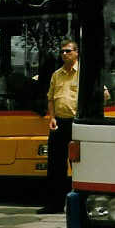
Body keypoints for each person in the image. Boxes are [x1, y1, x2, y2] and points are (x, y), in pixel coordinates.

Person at [38, 39, 79, 214]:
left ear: (76, 53)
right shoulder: (57, 74)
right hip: (59, 123)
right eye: (62, 51)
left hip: (77, 124)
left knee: (78, 165)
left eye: (68, 51)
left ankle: (80, 206)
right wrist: (52, 117)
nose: (64, 54)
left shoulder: (84, 74)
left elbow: (103, 95)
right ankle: (54, 204)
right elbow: (51, 98)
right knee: (55, 165)